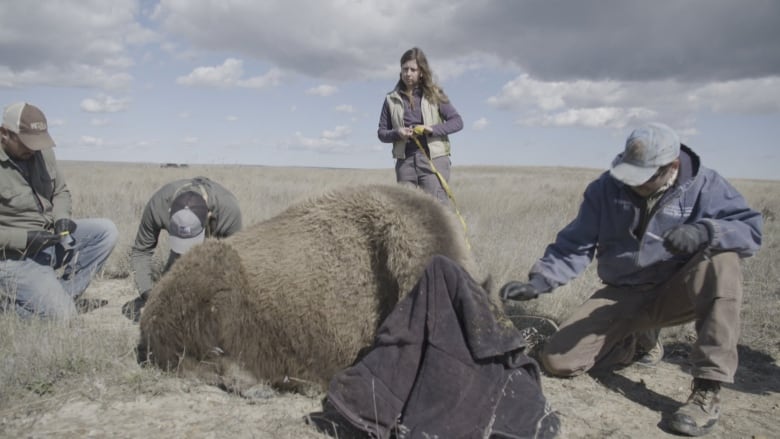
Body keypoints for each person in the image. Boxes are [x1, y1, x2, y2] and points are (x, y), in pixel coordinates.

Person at [500, 122, 762, 437]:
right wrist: (540, 281)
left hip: (680, 291)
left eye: (645, 177)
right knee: (558, 361)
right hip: (625, 292)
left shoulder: (706, 185)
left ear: (672, 167)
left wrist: (707, 231)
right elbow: (576, 244)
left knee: (723, 259)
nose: (634, 184)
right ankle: (640, 341)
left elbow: (750, 231)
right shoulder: (605, 188)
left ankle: (708, 388)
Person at [0, 102, 118, 320]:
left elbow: (61, 191)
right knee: (63, 319)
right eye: (27, 143)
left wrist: (62, 218)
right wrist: (23, 238)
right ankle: (11, 305)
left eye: (37, 142)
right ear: (5, 134)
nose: (33, 149)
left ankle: (61, 297)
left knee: (106, 231)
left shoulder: (42, 154)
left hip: (50, 239)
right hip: (14, 257)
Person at [122, 177, 242, 321]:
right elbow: (141, 251)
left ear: (209, 216)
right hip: (176, 260)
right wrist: (148, 294)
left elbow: (236, 262)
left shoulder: (228, 210)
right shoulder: (158, 204)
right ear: (169, 212)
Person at [377, 47, 463, 204]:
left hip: (433, 161)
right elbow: (382, 133)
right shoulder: (391, 99)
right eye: (405, 69)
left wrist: (431, 129)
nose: (408, 73)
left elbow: (457, 122)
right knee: (406, 213)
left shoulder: (434, 94)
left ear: (421, 72)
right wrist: (398, 133)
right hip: (405, 163)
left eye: (413, 70)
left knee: (437, 213)